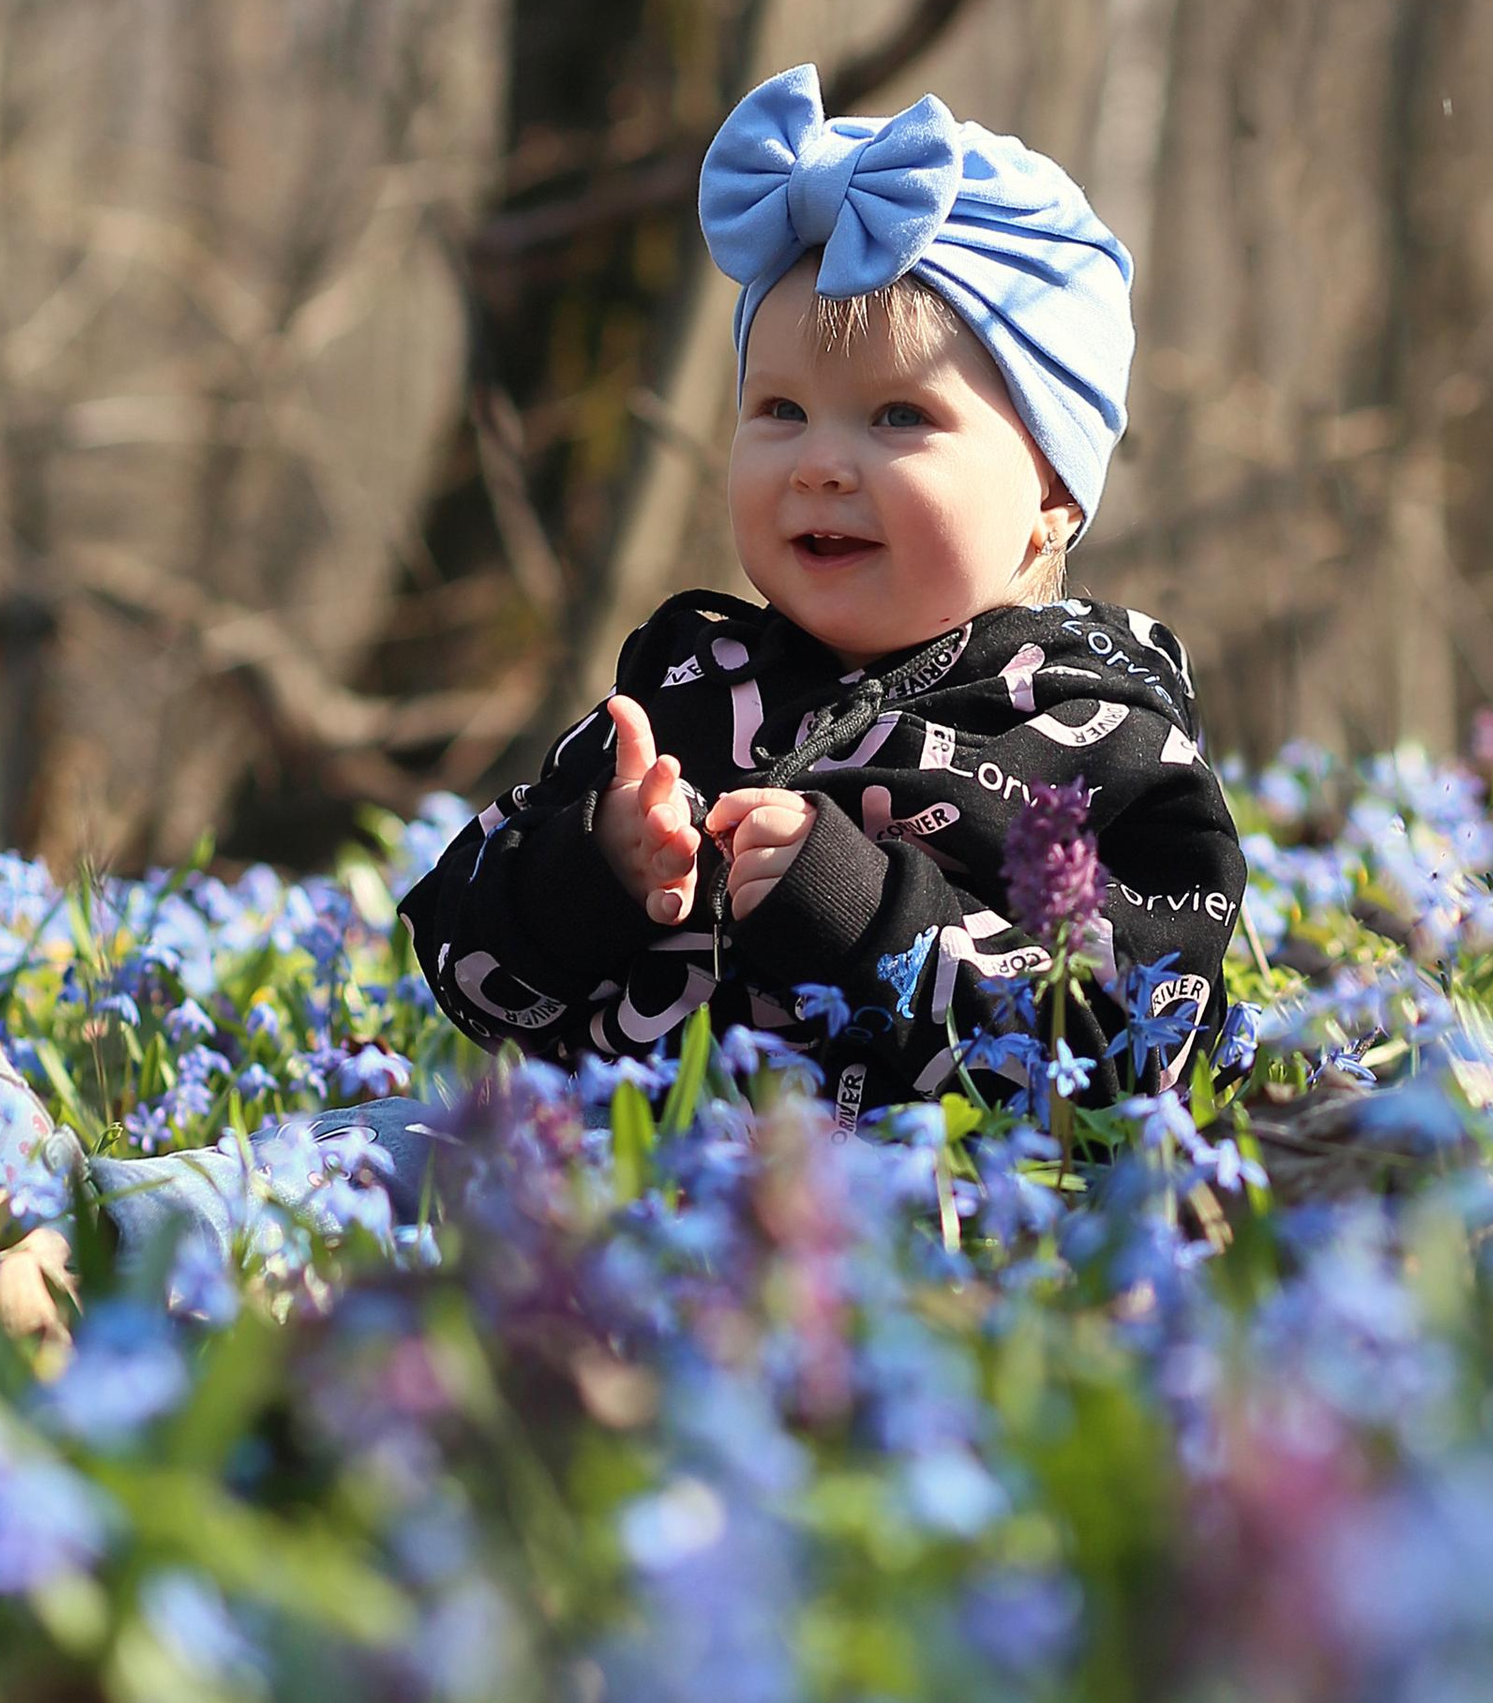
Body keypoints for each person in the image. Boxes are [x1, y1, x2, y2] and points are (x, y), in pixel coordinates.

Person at [402, 65, 1246, 1121]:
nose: (819, 465)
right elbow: (462, 962)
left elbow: (1140, 1056)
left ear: (1051, 495)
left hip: (938, 1202)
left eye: (898, 417)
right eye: (781, 411)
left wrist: (868, 914)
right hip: (617, 1191)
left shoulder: (1096, 744)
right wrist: (593, 865)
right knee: (292, 1173)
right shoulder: (685, 689)